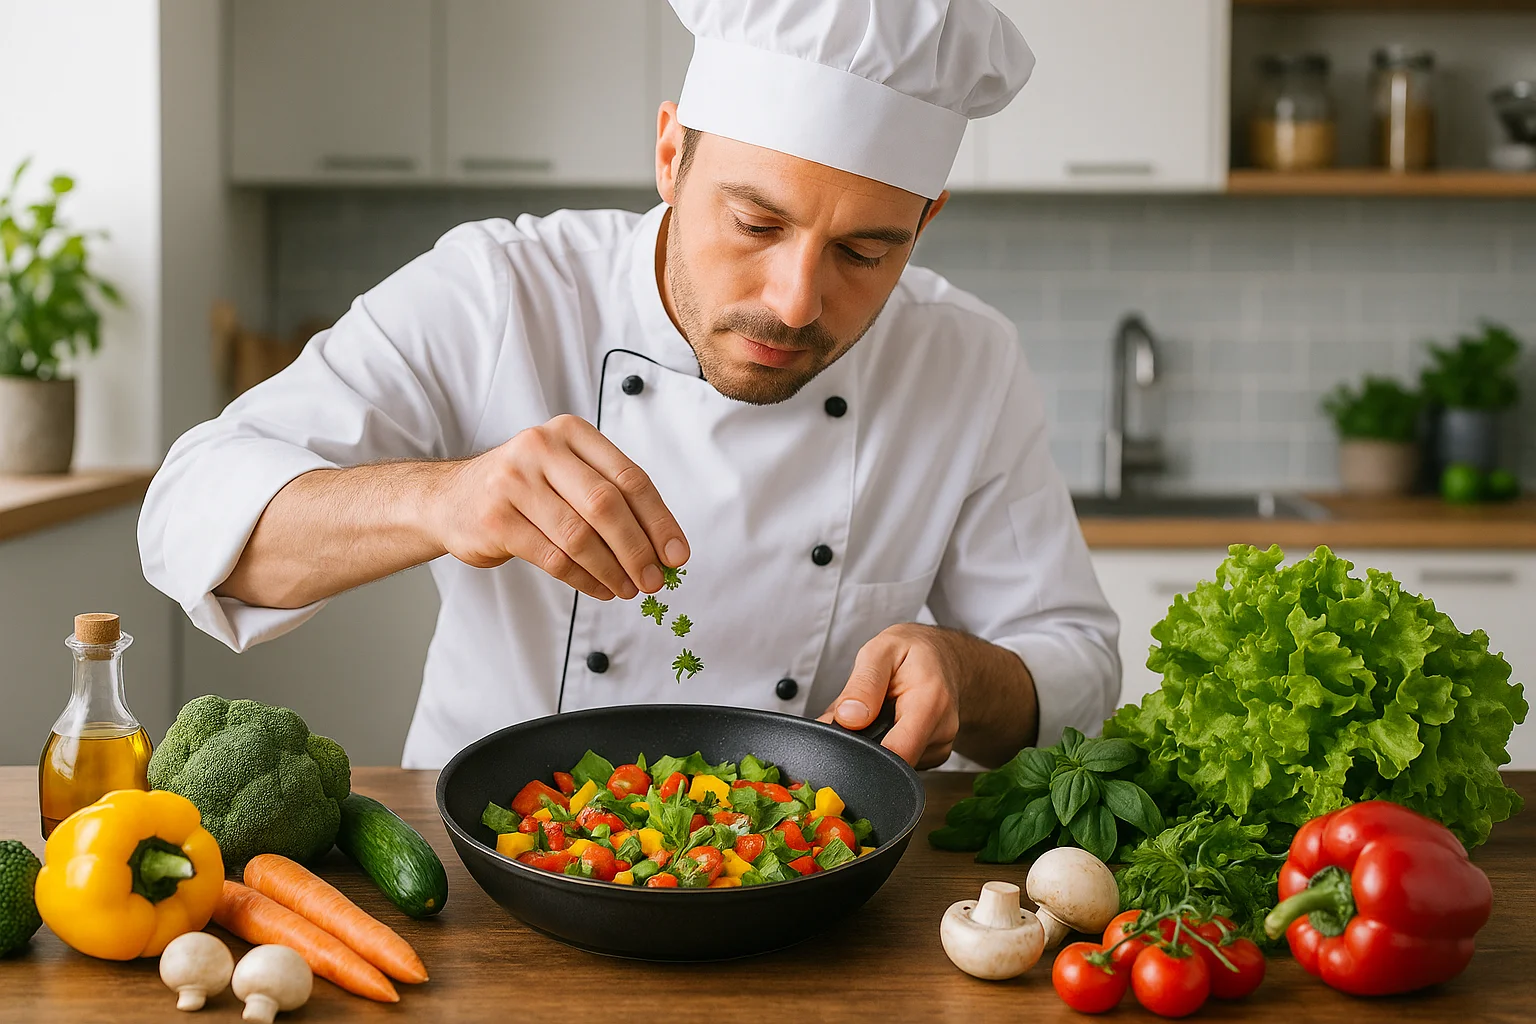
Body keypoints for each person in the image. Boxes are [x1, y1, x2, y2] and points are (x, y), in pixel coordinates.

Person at [140, 0, 1120, 771]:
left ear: (926, 222)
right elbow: (189, 514)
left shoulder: (964, 360)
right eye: (754, 225)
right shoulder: (499, 291)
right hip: (484, 872)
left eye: (866, 251)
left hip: (811, 890)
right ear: (668, 153)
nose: (794, 300)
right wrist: (445, 497)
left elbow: (1078, 662)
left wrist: (967, 676)